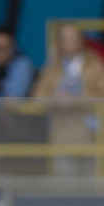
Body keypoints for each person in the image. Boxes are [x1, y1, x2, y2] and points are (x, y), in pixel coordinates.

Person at [33, 23, 104, 176]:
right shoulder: (52, 68)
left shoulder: (94, 65)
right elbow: (38, 97)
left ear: (81, 40)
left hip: (91, 136)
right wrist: (56, 100)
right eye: (65, 39)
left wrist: (77, 100)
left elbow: (101, 94)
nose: (70, 43)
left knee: (91, 190)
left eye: (74, 38)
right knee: (65, 189)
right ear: (59, 43)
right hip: (61, 137)